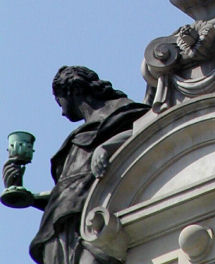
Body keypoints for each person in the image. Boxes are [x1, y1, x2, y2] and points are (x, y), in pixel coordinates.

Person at [25, 66, 148, 264]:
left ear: (71, 90)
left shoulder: (121, 110)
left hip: (94, 216)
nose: (62, 113)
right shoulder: (76, 137)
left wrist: (107, 147)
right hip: (60, 219)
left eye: (59, 102)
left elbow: (147, 130)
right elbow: (68, 187)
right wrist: (30, 198)